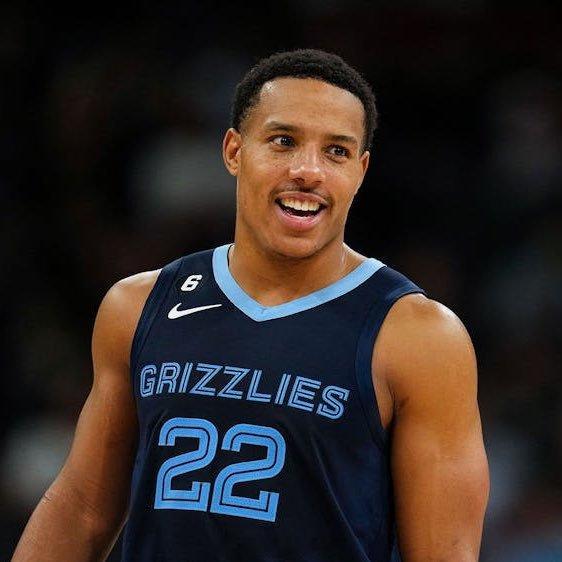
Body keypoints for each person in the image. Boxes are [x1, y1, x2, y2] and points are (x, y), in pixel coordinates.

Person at [13, 49, 489, 562]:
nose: (307, 171)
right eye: (284, 141)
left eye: (336, 151)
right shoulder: (138, 305)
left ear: (361, 170)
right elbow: (82, 509)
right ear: (234, 151)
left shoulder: (418, 336)